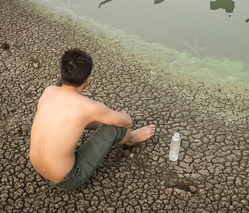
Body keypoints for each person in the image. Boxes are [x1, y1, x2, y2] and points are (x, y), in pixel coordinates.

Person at [29, 48, 155, 191]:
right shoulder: (88, 107)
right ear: (88, 79)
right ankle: (132, 138)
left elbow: (68, 120)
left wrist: (97, 121)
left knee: (84, 121)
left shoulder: (49, 91)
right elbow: (126, 121)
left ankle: (115, 130)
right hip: (68, 179)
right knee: (114, 127)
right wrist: (109, 118)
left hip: (39, 170)